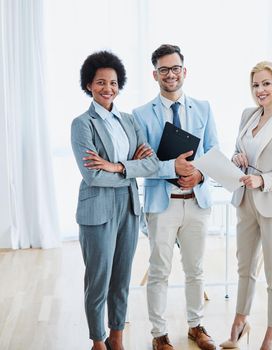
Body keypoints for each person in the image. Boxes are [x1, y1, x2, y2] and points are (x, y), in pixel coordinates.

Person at [71, 51, 159, 350]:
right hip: (98, 208)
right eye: (100, 82)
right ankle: (98, 340)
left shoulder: (129, 120)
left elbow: (152, 164)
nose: (107, 88)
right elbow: (92, 175)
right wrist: (128, 169)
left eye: (113, 82)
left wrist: (116, 166)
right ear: (88, 85)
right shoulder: (82, 124)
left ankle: (116, 337)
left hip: (129, 207)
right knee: (99, 278)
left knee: (121, 278)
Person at [133, 44, 219, 350]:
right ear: (154, 74)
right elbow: (142, 164)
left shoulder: (204, 108)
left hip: (196, 201)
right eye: (164, 69)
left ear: (185, 71)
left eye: (175, 68)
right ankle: (159, 333)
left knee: (195, 269)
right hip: (162, 204)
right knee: (159, 270)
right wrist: (173, 166)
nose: (171, 74)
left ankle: (196, 326)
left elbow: (212, 151)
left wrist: (200, 174)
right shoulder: (140, 115)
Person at [220, 61, 272, 350]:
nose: (260, 90)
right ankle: (239, 323)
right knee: (245, 268)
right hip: (244, 201)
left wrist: (264, 181)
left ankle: (271, 333)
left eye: (266, 83)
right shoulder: (247, 115)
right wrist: (236, 158)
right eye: (256, 85)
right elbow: (237, 151)